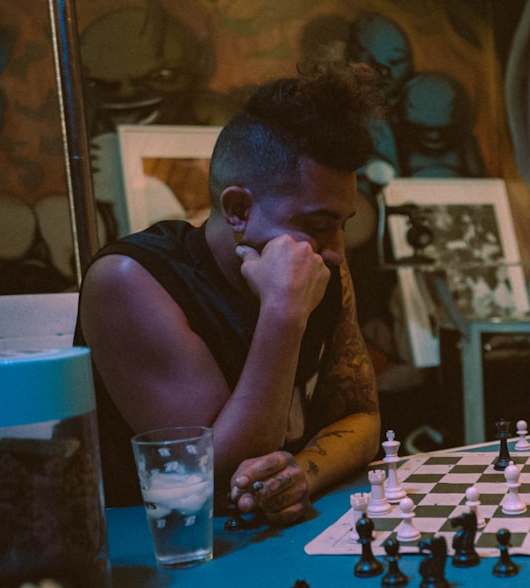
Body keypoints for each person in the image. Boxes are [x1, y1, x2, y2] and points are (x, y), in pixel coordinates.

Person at [76, 62, 384, 526]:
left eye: (342, 225)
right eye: (318, 226)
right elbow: (217, 481)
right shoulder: (129, 280)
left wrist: (300, 474)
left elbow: (362, 417)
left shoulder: (319, 265)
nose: (336, 253)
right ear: (238, 208)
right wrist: (282, 313)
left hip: (268, 540)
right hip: (157, 556)